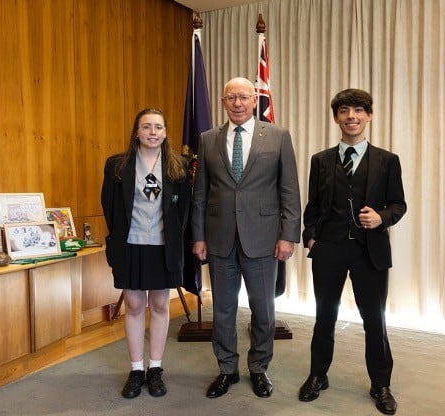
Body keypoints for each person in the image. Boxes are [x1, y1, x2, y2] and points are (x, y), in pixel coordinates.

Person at [298, 89, 406, 415]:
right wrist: (311, 237)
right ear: (336, 118)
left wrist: (382, 218)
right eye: (344, 111)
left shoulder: (388, 161)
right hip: (328, 250)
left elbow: (399, 205)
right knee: (324, 317)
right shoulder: (320, 160)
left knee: (374, 320)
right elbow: (312, 207)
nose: (351, 116)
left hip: (369, 252)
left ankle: (381, 383)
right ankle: (318, 374)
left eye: (359, 110)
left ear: (369, 115)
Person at [192, 77, 301, 399]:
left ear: (255, 100)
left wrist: (288, 236)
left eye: (243, 97)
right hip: (220, 239)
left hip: (264, 239)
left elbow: (289, 190)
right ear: (223, 103)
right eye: (231, 98)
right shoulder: (208, 139)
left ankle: (259, 368)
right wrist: (198, 236)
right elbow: (200, 194)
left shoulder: (278, 136)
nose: (237, 103)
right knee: (223, 310)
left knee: (263, 309)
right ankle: (227, 369)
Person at [101, 108, 191, 399]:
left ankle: (155, 368)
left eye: (158, 127)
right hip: (131, 246)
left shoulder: (178, 166)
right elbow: (109, 205)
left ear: (165, 133)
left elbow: (183, 210)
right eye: (146, 127)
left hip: (164, 247)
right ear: (136, 132)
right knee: (136, 306)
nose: (153, 132)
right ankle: (136, 369)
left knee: (162, 306)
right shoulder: (117, 165)